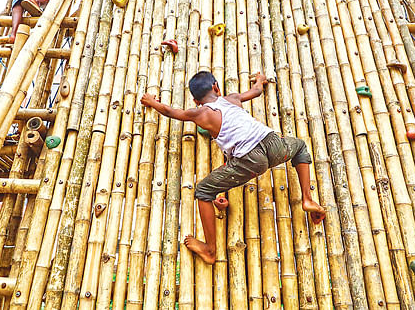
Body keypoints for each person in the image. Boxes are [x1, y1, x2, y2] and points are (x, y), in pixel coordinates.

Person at [140, 71, 326, 264]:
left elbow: (171, 112)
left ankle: (210, 250)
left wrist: (152, 101)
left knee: (203, 190)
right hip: (273, 144)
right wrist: (261, 80)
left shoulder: (201, 113)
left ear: (196, 101)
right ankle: (307, 198)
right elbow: (255, 91)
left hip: (250, 159)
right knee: (300, 147)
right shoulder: (232, 99)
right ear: (216, 87)